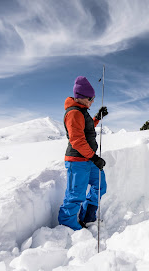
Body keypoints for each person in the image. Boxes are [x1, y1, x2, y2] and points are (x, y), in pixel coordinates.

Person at [58, 76, 109, 230]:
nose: (92, 101)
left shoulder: (82, 111)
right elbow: (77, 140)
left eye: (93, 98)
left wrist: (96, 119)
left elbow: (86, 128)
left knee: (100, 185)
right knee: (75, 195)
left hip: (89, 159)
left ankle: (88, 216)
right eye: (90, 98)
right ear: (80, 97)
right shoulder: (73, 113)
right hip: (78, 160)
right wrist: (94, 157)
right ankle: (68, 226)